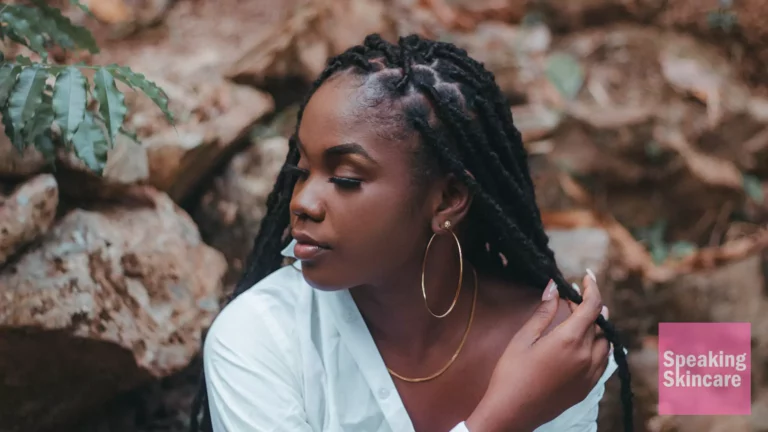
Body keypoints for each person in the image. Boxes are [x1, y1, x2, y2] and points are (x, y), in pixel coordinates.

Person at [190, 33, 633, 432]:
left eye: (345, 178)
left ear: (446, 201)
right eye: (301, 171)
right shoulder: (262, 338)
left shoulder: (553, 347)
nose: (302, 202)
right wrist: (502, 419)